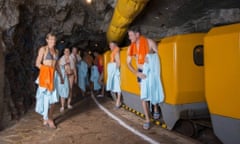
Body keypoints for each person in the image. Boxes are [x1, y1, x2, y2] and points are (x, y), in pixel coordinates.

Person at [126, 26, 163, 130]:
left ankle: (155, 107)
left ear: (137, 34)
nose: (129, 38)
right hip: (141, 73)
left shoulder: (150, 42)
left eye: (131, 35)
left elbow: (159, 56)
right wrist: (136, 73)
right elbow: (128, 63)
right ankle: (147, 119)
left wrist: (150, 57)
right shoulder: (131, 47)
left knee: (153, 91)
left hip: (152, 72)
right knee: (143, 96)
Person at [35, 32, 61, 129]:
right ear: (47, 40)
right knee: (44, 97)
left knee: (53, 99)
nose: (52, 41)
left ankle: (49, 118)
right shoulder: (43, 49)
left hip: (54, 77)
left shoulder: (57, 51)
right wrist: (46, 70)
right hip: (45, 75)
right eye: (50, 39)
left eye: (54, 39)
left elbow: (57, 65)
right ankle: (45, 117)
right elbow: (37, 63)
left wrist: (61, 76)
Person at [106, 41, 121, 108]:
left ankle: (118, 101)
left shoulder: (116, 52)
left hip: (115, 72)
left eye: (111, 45)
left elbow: (118, 63)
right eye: (110, 45)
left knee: (117, 87)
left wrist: (115, 71)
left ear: (115, 45)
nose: (110, 47)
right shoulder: (114, 52)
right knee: (114, 87)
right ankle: (117, 101)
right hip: (113, 72)